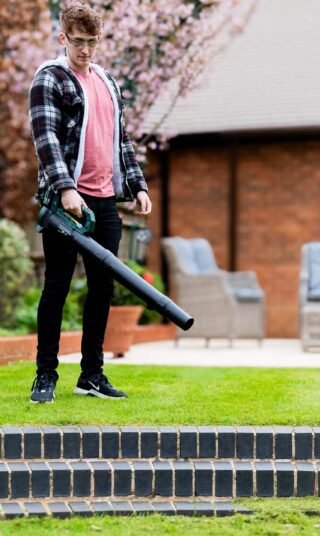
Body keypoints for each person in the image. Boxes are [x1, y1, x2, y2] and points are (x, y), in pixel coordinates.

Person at [28, 2, 152, 403]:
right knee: (57, 286)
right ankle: (45, 374)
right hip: (65, 204)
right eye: (78, 41)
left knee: (103, 289)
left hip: (104, 200)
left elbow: (121, 139)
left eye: (92, 42)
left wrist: (138, 185)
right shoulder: (49, 79)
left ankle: (92, 375)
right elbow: (46, 139)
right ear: (63, 38)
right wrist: (66, 189)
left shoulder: (107, 81)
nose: (85, 50)